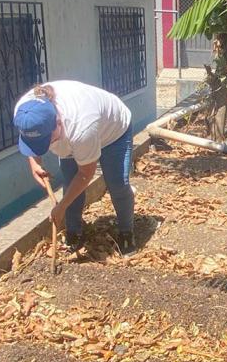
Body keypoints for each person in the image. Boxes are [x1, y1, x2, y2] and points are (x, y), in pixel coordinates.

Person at [13, 80, 137, 256]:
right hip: (73, 139)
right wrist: (34, 163)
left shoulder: (81, 128)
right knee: (70, 182)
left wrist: (61, 207)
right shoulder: (25, 111)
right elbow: (30, 140)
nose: (47, 146)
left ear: (57, 122)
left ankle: (126, 231)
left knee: (117, 183)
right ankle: (74, 233)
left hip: (113, 132)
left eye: (47, 141)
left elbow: (86, 174)